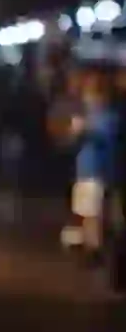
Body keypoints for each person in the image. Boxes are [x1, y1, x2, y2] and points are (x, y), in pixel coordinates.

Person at [61, 69, 121, 261]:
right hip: (86, 169)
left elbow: (105, 138)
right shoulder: (90, 114)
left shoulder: (108, 115)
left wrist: (84, 130)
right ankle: (90, 246)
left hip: (98, 170)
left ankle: (95, 249)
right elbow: (72, 141)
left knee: (94, 213)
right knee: (86, 212)